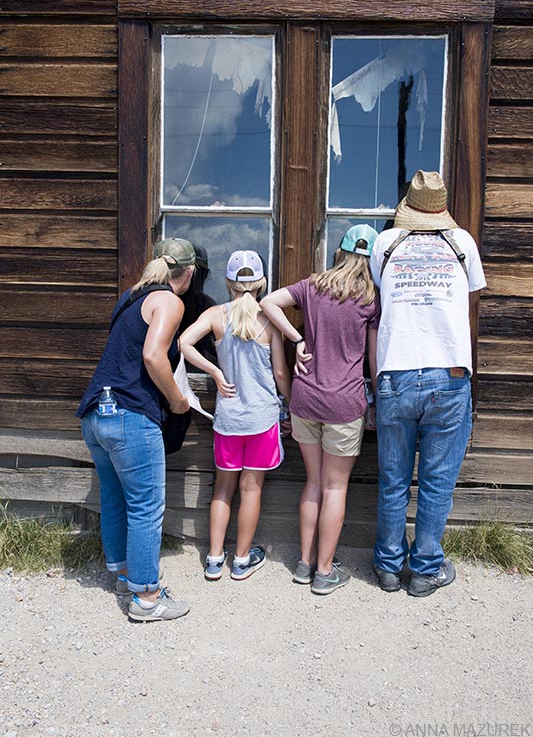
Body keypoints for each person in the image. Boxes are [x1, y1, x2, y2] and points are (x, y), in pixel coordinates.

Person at [370, 169, 487, 597]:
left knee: (393, 479)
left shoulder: (386, 244)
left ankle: (387, 566)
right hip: (449, 371)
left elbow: (382, 299)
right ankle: (424, 570)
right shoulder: (463, 244)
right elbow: (469, 304)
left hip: (396, 370)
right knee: (437, 482)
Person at [77, 237, 196, 621]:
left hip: (97, 412)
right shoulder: (169, 301)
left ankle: (125, 574)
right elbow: (152, 355)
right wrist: (178, 400)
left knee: (114, 497)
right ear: (189, 273)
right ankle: (147, 597)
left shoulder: (131, 296)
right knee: (146, 506)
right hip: (130, 414)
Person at [260, 225, 380, 595]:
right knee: (335, 486)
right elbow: (373, 360)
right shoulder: (370, 300)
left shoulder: (312, 286)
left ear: (339, 252)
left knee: (313, 482)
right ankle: (325, 571)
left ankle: (304, 563)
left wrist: (296, 339)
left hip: (305, 399)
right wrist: (375, 395)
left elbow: (267, 302)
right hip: (344, 403)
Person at [180, 250, 292, 581]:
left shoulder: (216, 315)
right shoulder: (270, 320)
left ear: (228, 283)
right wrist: (290, 402)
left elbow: (184, 343)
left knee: (222, 490)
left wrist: (215, 371)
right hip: (261, 419)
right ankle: (241, 560)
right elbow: (282, 375)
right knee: (251, 489)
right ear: (261, 283)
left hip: (228, 419)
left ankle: (214, 559)